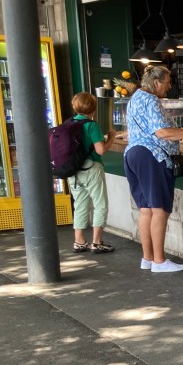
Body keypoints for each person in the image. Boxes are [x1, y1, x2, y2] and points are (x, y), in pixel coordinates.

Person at [123, 64, 183, 273]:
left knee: (146, 209)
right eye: (167, 83)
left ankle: (148, 258)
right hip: (151, 156)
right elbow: (162, 132)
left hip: (133, 154)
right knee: (160, 209)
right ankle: (159, 261)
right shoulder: (151, 100)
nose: (169, 87)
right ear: (156, 82)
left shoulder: (135, 98)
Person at [67, 91, 116, 254]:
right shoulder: (91, 125)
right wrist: (111, 137)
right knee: (100, 204)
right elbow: (100, 150)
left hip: (73, 169)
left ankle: (79, 241)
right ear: (93, 108)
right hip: (91, 168)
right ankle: (97, 242)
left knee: (80, 205)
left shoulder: (69, 123)